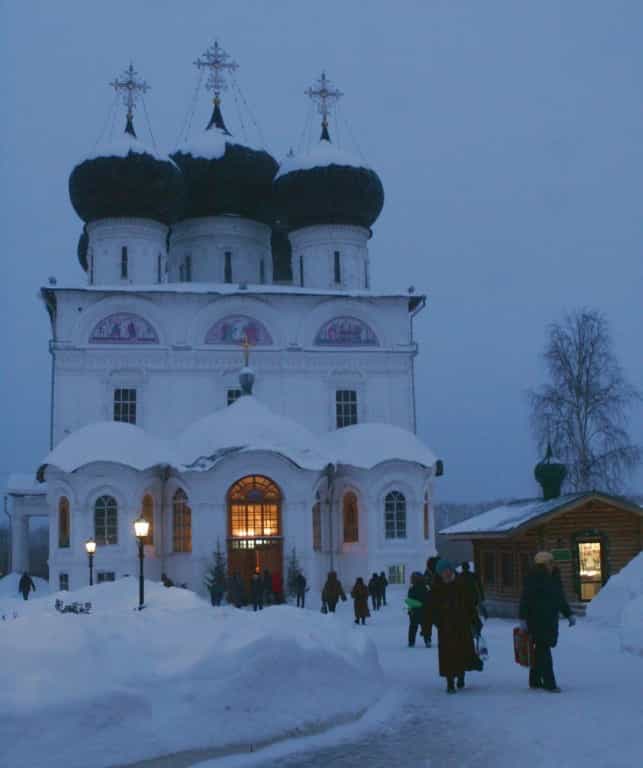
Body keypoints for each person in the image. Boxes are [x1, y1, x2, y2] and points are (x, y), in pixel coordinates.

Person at [519, 551, 575, 693]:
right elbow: (525, 599)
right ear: (542, 565)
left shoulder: (554, 577)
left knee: (539, 651)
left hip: (550, 619)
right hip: (536, 620)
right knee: (544, 651)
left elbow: (560, 598)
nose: (553, 564)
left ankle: (535, 681)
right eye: (550, 562)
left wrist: (569, 614)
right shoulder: (533, 578)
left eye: (553, 562)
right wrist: (522, 619)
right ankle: (550, 684)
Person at [432, 559, 481, 693]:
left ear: (451, 570)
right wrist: (438, 622)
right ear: (440, 574)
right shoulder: (437, 588)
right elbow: (432, 608)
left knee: (461, 651)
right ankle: (450, 682)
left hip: (462, 625)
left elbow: (470, 604)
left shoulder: (461, 584)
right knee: (448, 655)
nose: (446, 573)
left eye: (447, 570)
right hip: (445, 627)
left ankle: (460, 676)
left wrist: (474, 620)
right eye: (443, 572)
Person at [460, 561, 486, 634]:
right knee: (473, 616)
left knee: (470, 616)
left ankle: (474, 630)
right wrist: (481, 597)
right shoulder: (473, 576)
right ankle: (475, 630)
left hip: (467, 601)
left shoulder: (460, 577)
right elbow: (479, 587)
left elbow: (478, 587)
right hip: (472, 600)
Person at [407, 571, 430, 647]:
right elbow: (429, 599)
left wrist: (409, 610)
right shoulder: (426, 588)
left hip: (415, 610)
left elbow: (409, 601)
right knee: (425, 626)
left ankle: (411, 642)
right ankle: (427, 640)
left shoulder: (412, 588)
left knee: (413, 627)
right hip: (425, 610)